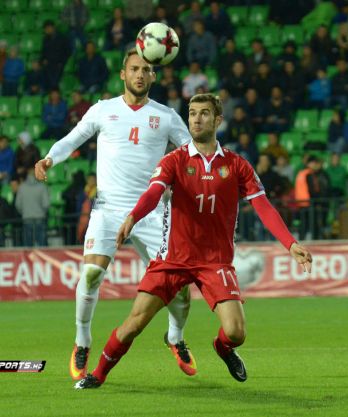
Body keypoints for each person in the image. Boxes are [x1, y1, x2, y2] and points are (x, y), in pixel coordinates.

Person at [74, 93, 313, 389]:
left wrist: (291, 244)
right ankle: (97, 374)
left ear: (218, 120)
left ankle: (223, 348)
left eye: (203, 113)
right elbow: (152, 193)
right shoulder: (175, 160)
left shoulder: (237, 165)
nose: (196, 119)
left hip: (215, 261)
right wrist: (133, 217)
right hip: (173, 258)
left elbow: (264, 206)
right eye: (192, 113)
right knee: (134, 322)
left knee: (237, 332)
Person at [34, 48, 196, 382]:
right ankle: (82, 342)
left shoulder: (165, 116)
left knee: (179, 287)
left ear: (153, 75)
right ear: (123, 74)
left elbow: (192, 153)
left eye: (146, 70)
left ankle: (175, 337)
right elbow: (74, 138)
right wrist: (50, 158)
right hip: (108, 208)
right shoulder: (103, 110)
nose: (140, 74)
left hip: (153, 213)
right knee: (91, 275)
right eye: (134, 69)